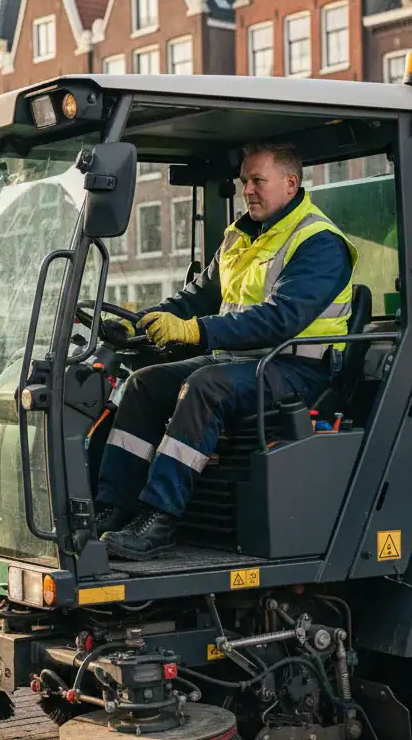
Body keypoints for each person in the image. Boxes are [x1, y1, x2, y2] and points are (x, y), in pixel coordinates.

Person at [96, 141, 358, 561]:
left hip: (297, 369)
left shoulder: (320, 242)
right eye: (243, 181)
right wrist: (140, 320)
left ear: (290, 184)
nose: (248, 190)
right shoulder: (240, 236)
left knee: (205, 385)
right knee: (145, 384)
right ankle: (115, 506)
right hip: (242, 363)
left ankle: (159, 518)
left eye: (258, 181)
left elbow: (279, 320)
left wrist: (194, 332)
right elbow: (197, 297)